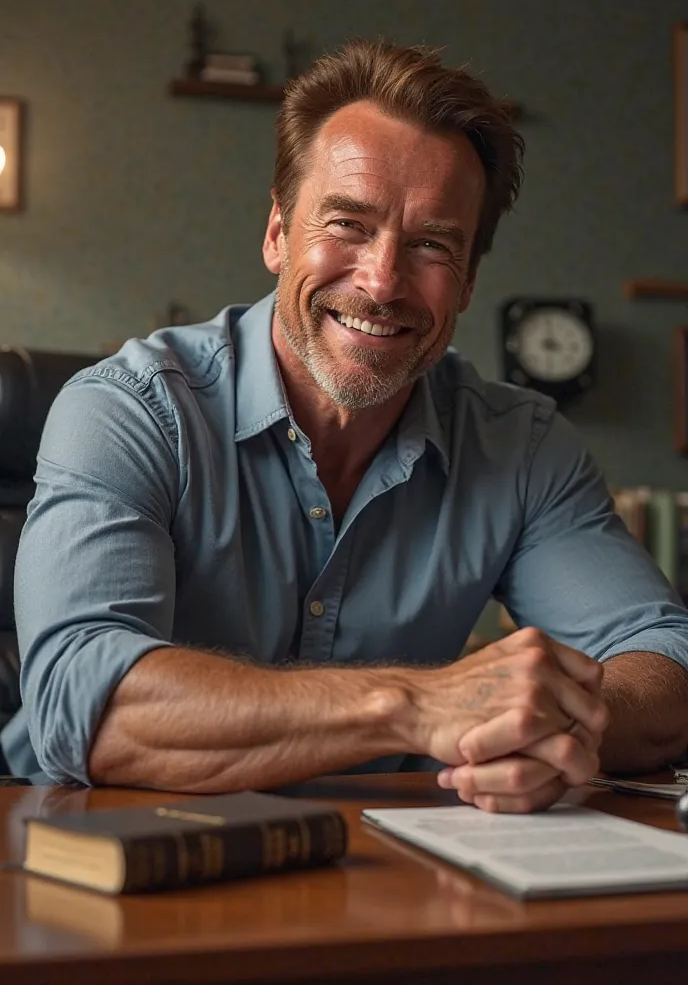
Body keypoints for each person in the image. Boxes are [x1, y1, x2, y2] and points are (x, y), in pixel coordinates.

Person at [3, 40, 688, 812]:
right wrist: (416, 705)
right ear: (276, 234)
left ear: (467, 281)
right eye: (348, 225)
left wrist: (554, 725)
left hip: (380, 866)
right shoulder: (127, 408)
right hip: (89, 864)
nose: (382, 281)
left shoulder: (522, 447)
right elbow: (84, 705)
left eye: (432, 244)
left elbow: (668, 665)